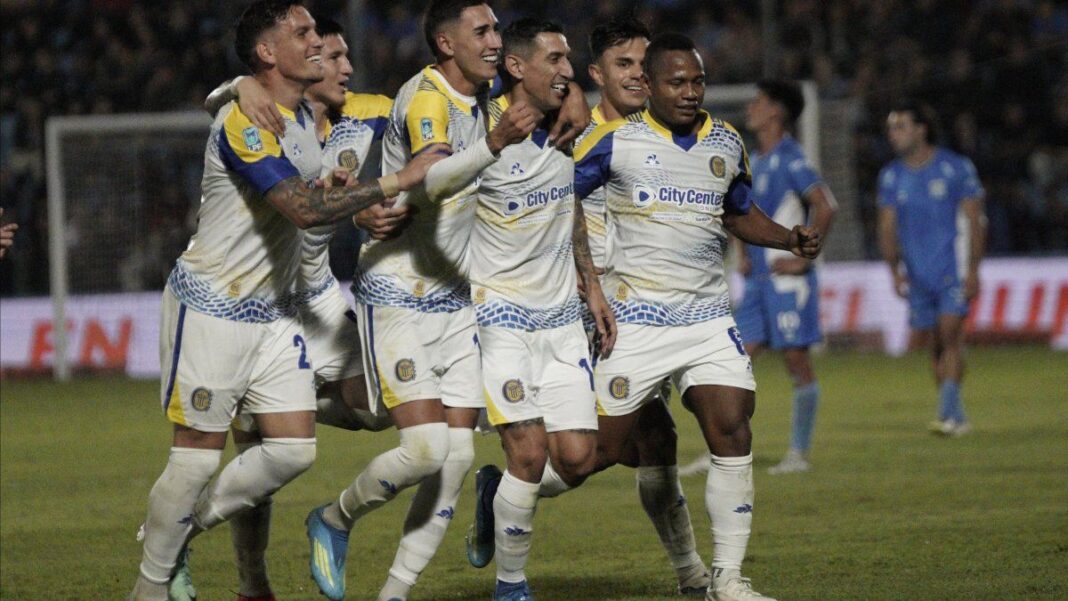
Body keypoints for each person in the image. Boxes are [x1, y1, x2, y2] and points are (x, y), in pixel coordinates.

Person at [127, 3, 440, 600]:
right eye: (303, 34)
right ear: (267, 53)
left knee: (293, 450)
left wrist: (338, 190)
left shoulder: (297, 119)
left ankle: (180, 535)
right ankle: (149, 587)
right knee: (195, 462)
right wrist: (395, 180)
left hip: (276, 314)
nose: (317, 43)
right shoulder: (243, 119)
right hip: (214, 306)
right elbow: (298, 208)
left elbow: (308, 190)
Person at [302, 2, 589, 600]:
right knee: (426, 448)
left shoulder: (483, 97)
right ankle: (334, 518)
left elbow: (541, 76)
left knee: (455, 461)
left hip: (457, 298)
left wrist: (573, 92)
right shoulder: (429, 98)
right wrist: (493, 144)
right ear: (446, 43)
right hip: (398, 292)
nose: (493, 41)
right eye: (480, 31)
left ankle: (393, 594)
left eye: (495, 30)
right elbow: (430, 178)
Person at [571, 33, 822, 601]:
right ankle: (508, 489)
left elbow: (737, 212)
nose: (690, 92)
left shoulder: (727, 141)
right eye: (677, 82)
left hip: (707, 317)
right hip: (636, 318)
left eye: (698, 82)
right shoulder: (613, 142)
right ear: (649, 85)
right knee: (593, 455)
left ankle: (727, 578)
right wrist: (584, 278)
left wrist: (787, 237)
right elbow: (559, 199)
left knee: (732, 424)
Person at [202, 16, 406, 601]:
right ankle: (251, 584)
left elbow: (437, 110)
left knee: (380, 405)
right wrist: (239, 84)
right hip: (258, 304)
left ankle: (278, 408)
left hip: (317, 299)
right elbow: (217, 105)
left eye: (343, 56)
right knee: (259, 479)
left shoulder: (367, 112)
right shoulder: (263, 112)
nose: (344, 67)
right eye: (331, 56)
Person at [440, 18, 615, 601]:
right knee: (530, 452)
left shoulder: (566, 126)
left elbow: (571, 207)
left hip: (562, 318)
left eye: (569, 60)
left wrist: (591, 284)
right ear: (516, 67)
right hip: (501, 318)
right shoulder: (480, 130)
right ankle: (511, 587)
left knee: (578, 460)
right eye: (555, 60)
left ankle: (495, 494)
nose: (568, 69)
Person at [733, 80, 837, 474]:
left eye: (758, 102)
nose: (751, 108)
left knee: (797, 363)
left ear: (776, 111)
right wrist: (742, 254)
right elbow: (741, 211)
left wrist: (805, 258)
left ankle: (797, 454)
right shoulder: (754, 160)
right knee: (733, 365)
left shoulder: (792, 158)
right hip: (757, 282)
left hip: (786, 281)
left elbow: (825, 206)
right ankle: (725, 453)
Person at [877, 101, 985, 437]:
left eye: (901, 126)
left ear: (921, 130)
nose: (893, 134)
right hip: (917, 274)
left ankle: (947, 414)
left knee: (951, 335)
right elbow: (887, 227)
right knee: (936, 343)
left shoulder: (955, 167)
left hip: (952, 268)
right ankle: (956, 415)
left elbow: (975, 221)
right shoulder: (891, 176)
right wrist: (894, 270)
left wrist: (973, 269)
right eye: (891, 128)